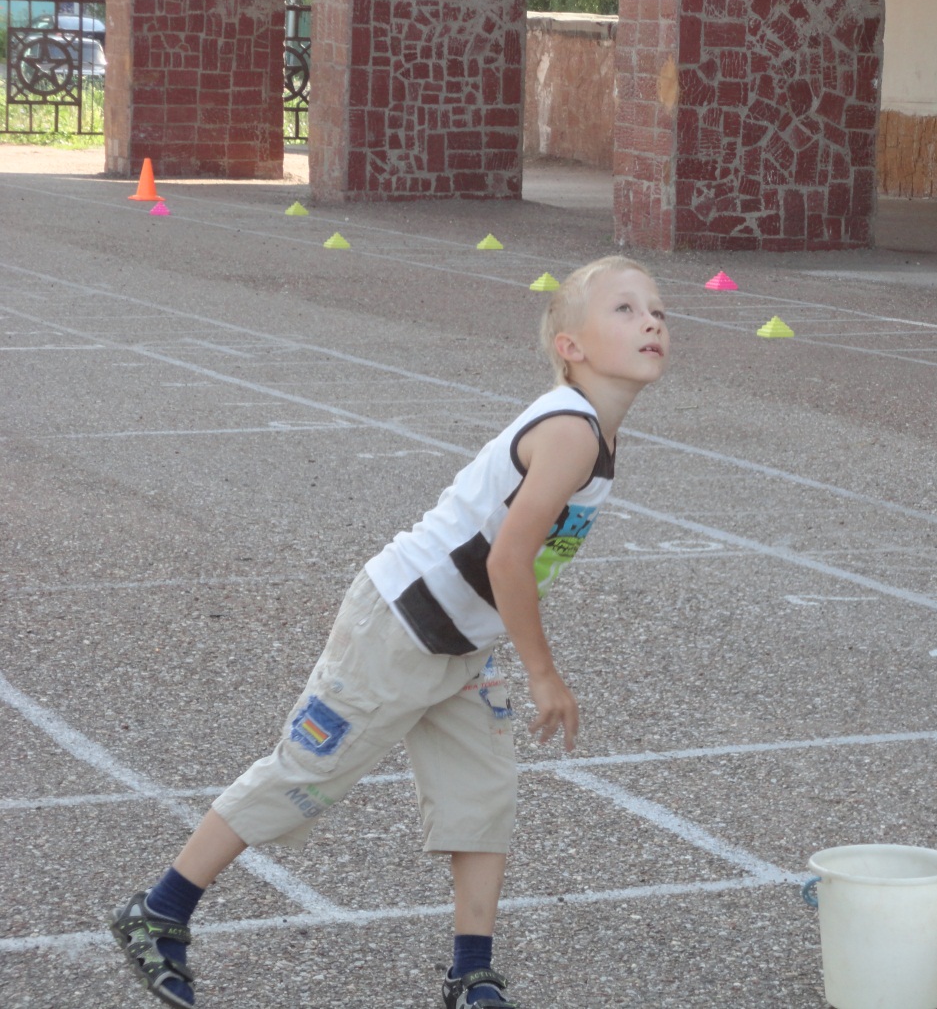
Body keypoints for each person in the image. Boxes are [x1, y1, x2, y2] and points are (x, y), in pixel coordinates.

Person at [108, 256, 670, 1009]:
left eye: (657, 310)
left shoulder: (593, 434)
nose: (653, 321)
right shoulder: (569, 430)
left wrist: (496, 650)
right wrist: (543, 671)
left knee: (480, 792)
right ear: (571, 346)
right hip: (400, 626)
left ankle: (471, 974)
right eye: (626, 310)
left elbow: (508, 564)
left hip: (461, 644)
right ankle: (160, 910)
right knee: (307, 770)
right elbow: (509, 561)